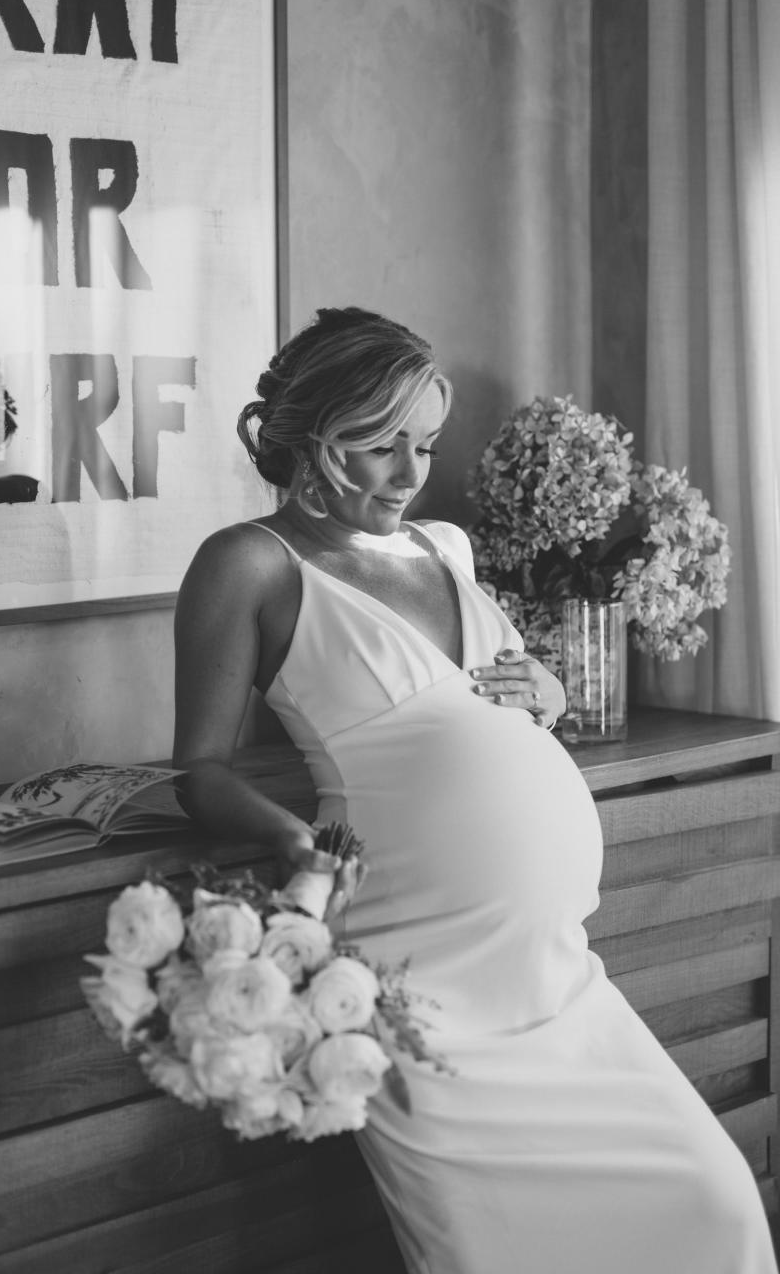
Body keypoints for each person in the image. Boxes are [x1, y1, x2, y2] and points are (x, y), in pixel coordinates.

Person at [173, 306, 777, 1274]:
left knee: (713, 1203)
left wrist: (546, 691)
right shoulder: (248, 563)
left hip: (552, 977)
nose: (413, 474)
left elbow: (491, 702)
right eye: (381, 448)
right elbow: (196, 767)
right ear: (314, 439)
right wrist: (287, 837)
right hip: (421, 978)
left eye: (424, 444)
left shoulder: (443, 547)